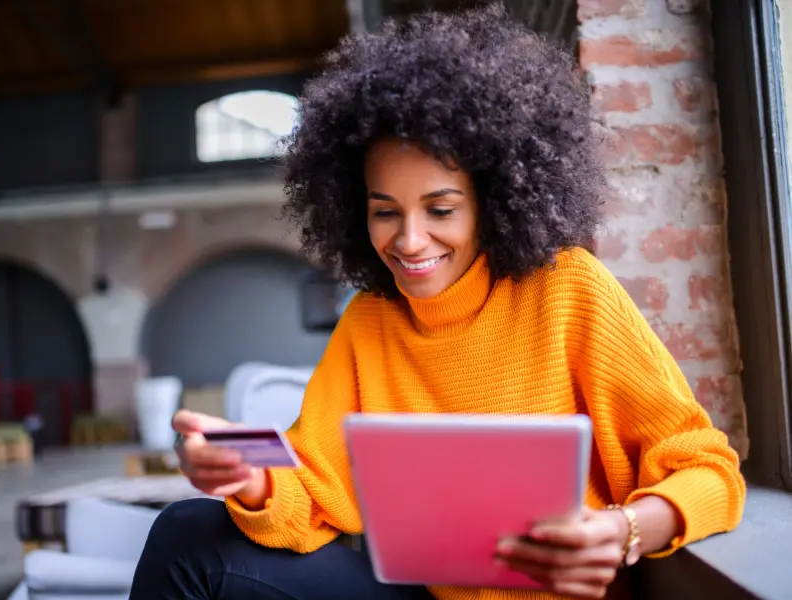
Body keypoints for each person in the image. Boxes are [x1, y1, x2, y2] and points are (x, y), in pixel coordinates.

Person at [130, 4, 746, 600]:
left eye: (441, 209)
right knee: (185, 533)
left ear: (494, 200)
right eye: (384, 213)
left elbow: (711, 472)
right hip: (425, 596)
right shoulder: (370, 321)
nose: (409, 240)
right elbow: (312, 491)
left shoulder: (567, 291)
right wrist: (253, 477)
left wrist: (623, 530)